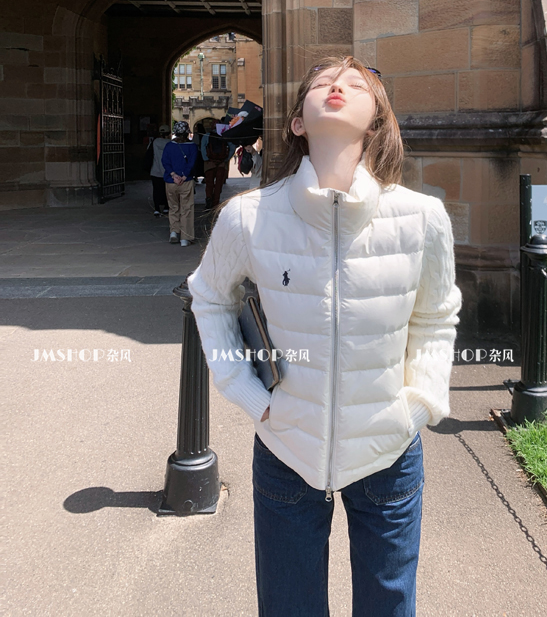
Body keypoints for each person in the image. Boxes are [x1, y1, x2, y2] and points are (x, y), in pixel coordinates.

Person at [187, 55, 462, 617]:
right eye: (322, 83)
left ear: (376, 123)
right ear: (297, 122)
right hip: (287, 445)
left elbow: (436, 317)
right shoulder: (248, 216)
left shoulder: (422, 218)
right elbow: (210, 298)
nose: (337, 86)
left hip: (388, 448)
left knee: (389, 605)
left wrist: (419, 404)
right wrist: (249, 394)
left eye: (355, 84)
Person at [161, 121, 199, 247]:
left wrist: (173, 174)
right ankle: (185, 238)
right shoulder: (192, 146)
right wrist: (184, 175)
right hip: (186, 181)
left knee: (173, 207)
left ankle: (174, 232)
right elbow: (192, 163)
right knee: (187, 209)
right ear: (187, 132)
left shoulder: (169, 146)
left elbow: (164, 161)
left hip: (171, 181)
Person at [200, 121, 235, 209]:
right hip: (221, 163)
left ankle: (208, 198)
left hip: (209, 163)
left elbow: (203, 147)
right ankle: (216, 202)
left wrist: (205, 158)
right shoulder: (225, 136)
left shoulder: (207, 136)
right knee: (219, 183)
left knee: (209, 183)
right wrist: (226, 159)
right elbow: (232, 147)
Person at [149, 124, 171, 216]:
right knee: (167, 190)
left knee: (156, 190)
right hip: (167, 171)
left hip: (155, 170)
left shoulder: (154, 142)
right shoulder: (170, 143)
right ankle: (166, 207)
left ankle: (157, 208)